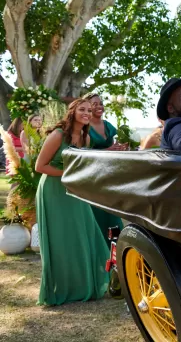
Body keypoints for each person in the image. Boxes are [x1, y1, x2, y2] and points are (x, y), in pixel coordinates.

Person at [35, 99, 109, 306]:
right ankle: (61, 288)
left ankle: (83, 285)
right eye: (82, 109)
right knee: (60, 239)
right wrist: (68, 174)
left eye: (89, 110)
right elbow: (40, 166)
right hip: (53, 190)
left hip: (74, 190)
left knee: (82, 234)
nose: (87, 113)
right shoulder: (58, 135)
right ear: (72, 112)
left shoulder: (85, 139)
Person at [84, 92, 125, 246]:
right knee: (98, 212)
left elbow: (113, 146)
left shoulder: (108, 125)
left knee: (112, 212)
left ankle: (116, 244)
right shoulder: (85, 128)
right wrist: (109, 150)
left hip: (109, 174)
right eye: (94, 104)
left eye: (100, 103)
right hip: (93, 176)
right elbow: (83, 154)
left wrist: (120, 148)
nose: (99, 106)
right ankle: (100, 246)